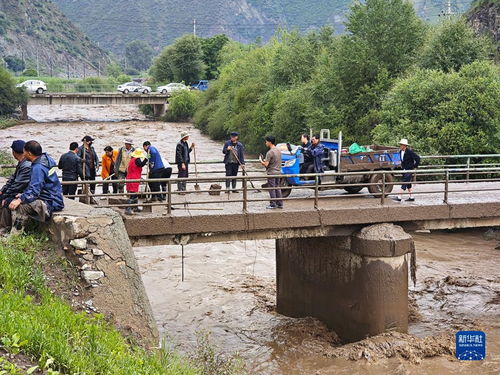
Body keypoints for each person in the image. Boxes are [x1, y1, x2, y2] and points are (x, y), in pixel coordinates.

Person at [0, 141, 64, 234]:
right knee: (15, 200)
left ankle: (14, 235)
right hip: (52, 197)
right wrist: (23, 195)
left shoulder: (38, 167)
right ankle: (5, 230)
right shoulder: (44, 159)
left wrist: (21, 199)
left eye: (24, 152)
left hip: (50, 202)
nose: (23, 154)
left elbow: (34, 190)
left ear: (29, 153)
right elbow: (37, 187)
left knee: (21, 206)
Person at [0, 140, 32, 213]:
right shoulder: (22, 162)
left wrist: (5, 195)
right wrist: (2, 191)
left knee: (5, 201)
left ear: (13, 152)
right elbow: (12, 179)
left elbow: (17, 184)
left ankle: (5, 224)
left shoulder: (26, 165)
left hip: (24, 192)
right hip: (23, 191)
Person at [260, 135, 283, 209]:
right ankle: (280, 203)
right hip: (278, 172)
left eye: (266, 141)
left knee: (272, 188)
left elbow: (266, 164)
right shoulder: (278, 150)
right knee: (277, 187)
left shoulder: (270, 152)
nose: (265, 143)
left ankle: (273, 204)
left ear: (270, 142)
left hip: (272, 172)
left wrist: (261, 161)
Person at [125, 149, 148, 215]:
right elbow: (141, 164)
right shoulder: (136, 160)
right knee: (133, 194)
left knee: (134, 194)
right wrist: (146, 159)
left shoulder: (132, 160)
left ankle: (134, 207)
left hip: (131, 178)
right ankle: (128, 209)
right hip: (134, 179)